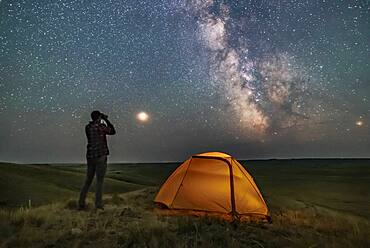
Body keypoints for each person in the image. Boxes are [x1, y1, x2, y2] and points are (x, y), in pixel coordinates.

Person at [78, 110, 116, 210]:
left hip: (90, 156)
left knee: (88, 180)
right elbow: (113, 131)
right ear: (99, 117)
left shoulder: (88, 127)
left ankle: (81, 203)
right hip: (101, 156)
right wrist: (106, 119)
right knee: (99, 181)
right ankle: (98, 205)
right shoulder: (101, 127)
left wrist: (101, 119)